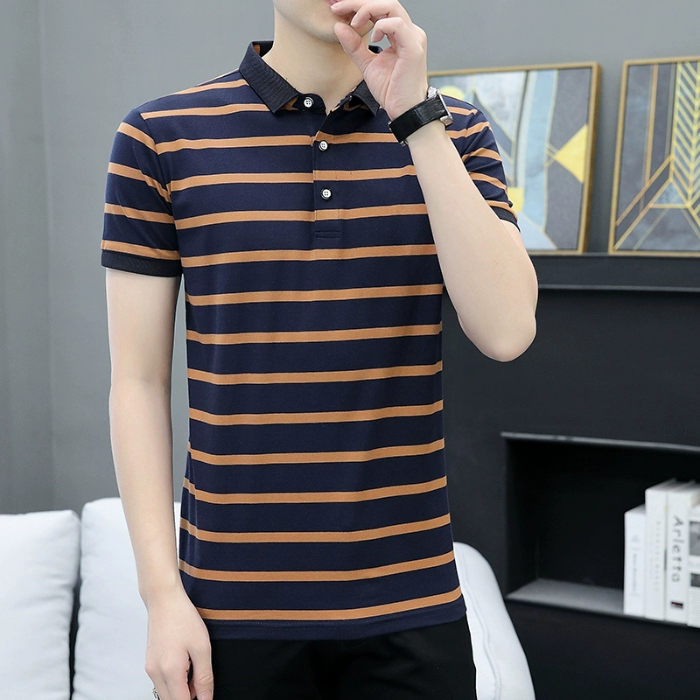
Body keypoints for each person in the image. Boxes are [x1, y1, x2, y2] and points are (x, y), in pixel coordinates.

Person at [101, 0, 538, 698]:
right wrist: (161, 597)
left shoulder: (454, 129)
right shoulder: (160, 136)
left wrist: (416, 118)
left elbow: (507, 330)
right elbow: (137, 383)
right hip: (230, 615)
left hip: (411, 607)